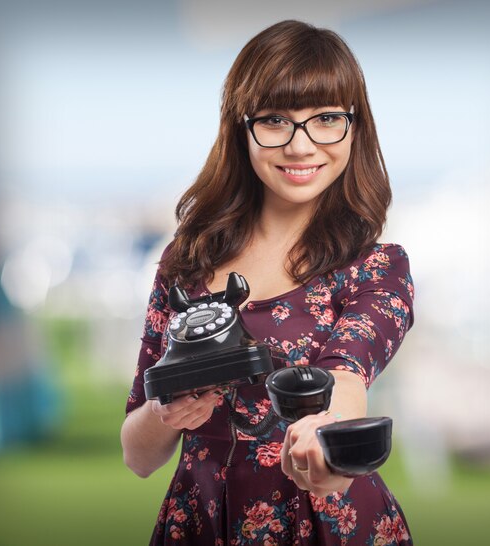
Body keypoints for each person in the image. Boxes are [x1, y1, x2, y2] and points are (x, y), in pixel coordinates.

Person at [121, 20, 415, 545]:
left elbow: (345, 378)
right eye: (276, 120)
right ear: (242, 127)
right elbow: (137, 456)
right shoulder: (184, 263)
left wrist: (323, 447)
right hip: (199, 523)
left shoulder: (377, 268)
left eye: (326, 119)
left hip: (328, 525)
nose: (302, 146)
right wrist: (166, 413)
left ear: (355, 127)